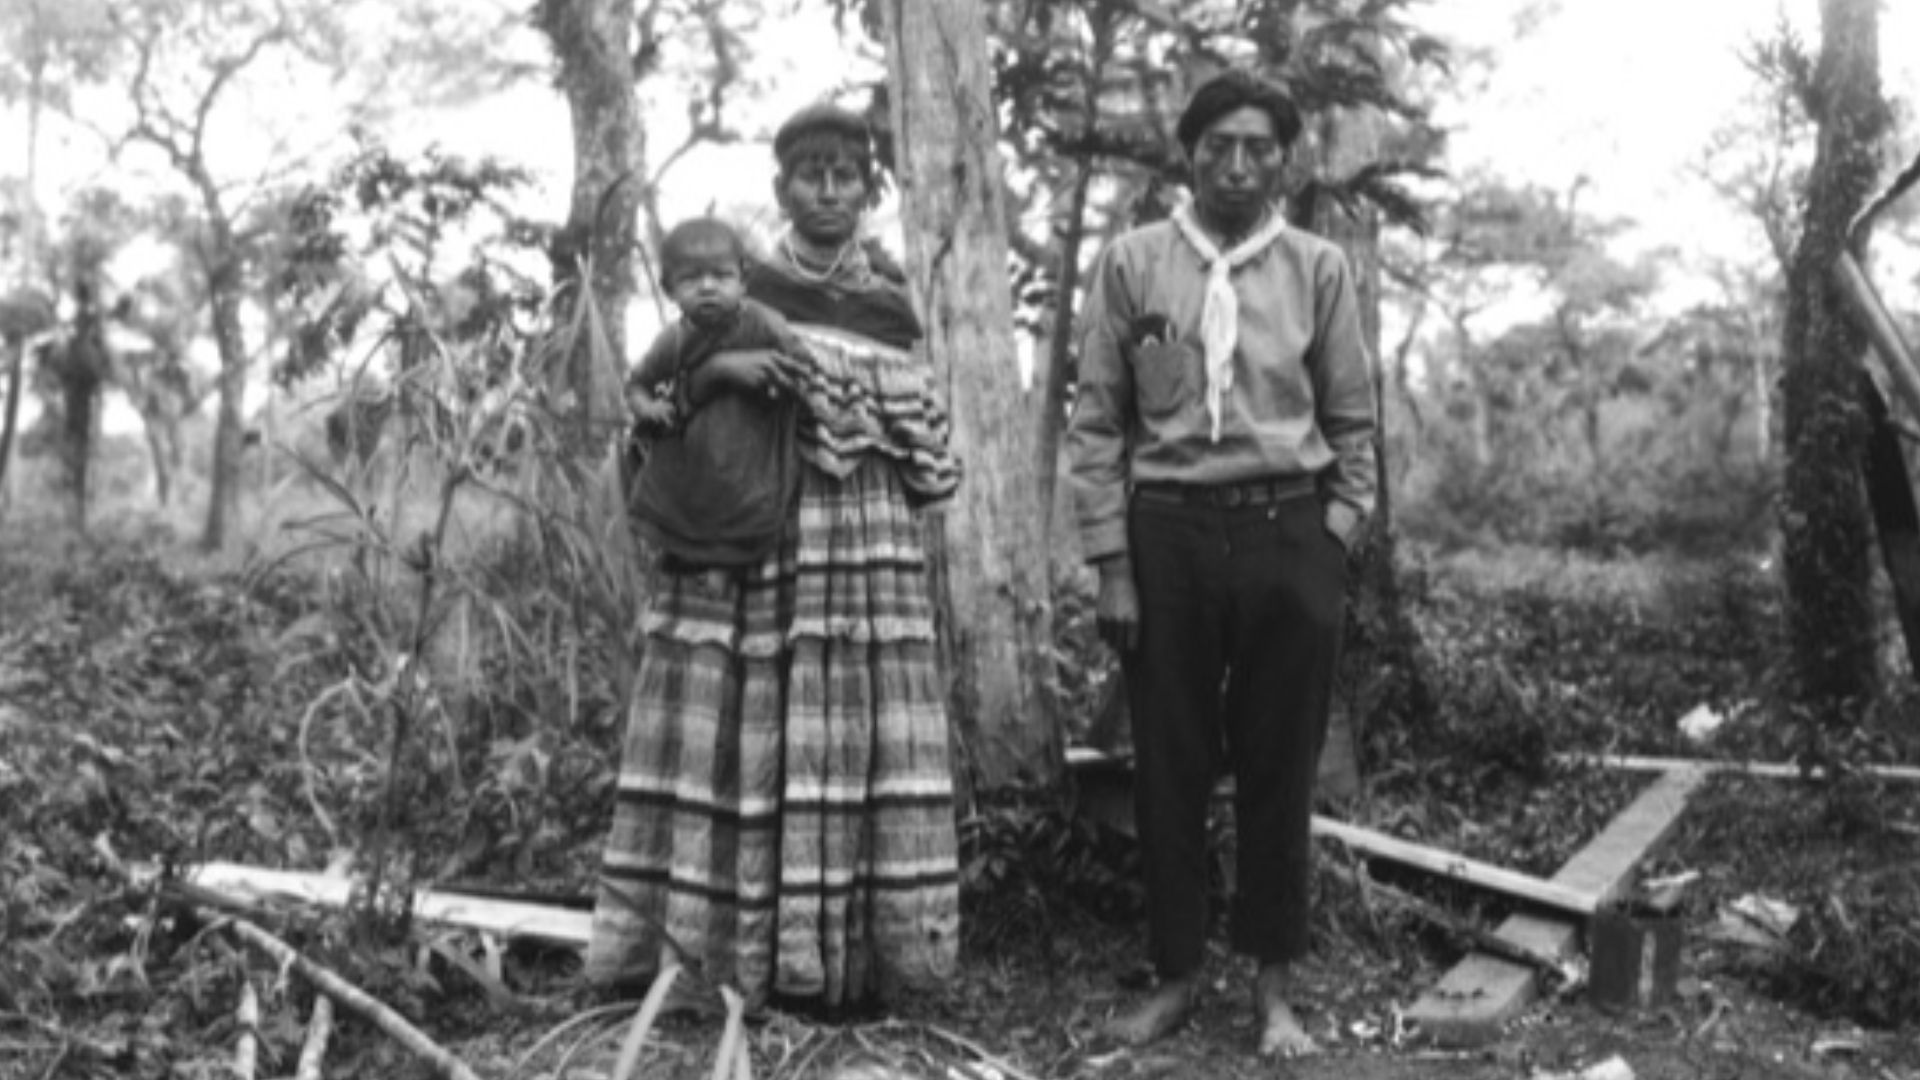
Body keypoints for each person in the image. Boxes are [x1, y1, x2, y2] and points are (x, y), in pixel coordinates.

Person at [587, 102, 964, 1014]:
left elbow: (923, 446)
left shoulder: (889, 297)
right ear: (781, 188)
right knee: (749, 720)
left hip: (863, 547)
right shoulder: (730, 291)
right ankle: (732, 957)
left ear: (867, 188)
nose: (829, 190)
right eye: (811, 174)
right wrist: (721, 376)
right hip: (755, 540)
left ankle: (856, 967)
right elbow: (652, 405)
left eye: (846, 174)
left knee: (849, 727)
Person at [1066, 69, 1377, 1058]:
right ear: (1189, 153)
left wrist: (1335, 537)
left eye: (1258, 147)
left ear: (1285, 160)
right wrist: (1114, 564)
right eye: (1219, 145)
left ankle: (1273, 990)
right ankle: (1175, 975)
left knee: (1281, 768)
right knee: (1170, 762)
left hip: (1289, 532)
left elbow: (1354, 423)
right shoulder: (1132, 263)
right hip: (1168, 538)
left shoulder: (1318, 268)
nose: (1237, 164)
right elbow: (1097, 422)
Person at [622, 216, 809, 574]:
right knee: (676, 508)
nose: (707, 287)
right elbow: (636, 384)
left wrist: (783, 382)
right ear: (668, 289)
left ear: (743, 279)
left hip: (754, 447)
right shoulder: (672, 340)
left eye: (721, 276)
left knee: (757, 511)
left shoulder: (763, 322)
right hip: (696, 453)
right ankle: (688, 562)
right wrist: (650, 407)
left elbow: (801, 362)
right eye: (691, 279)